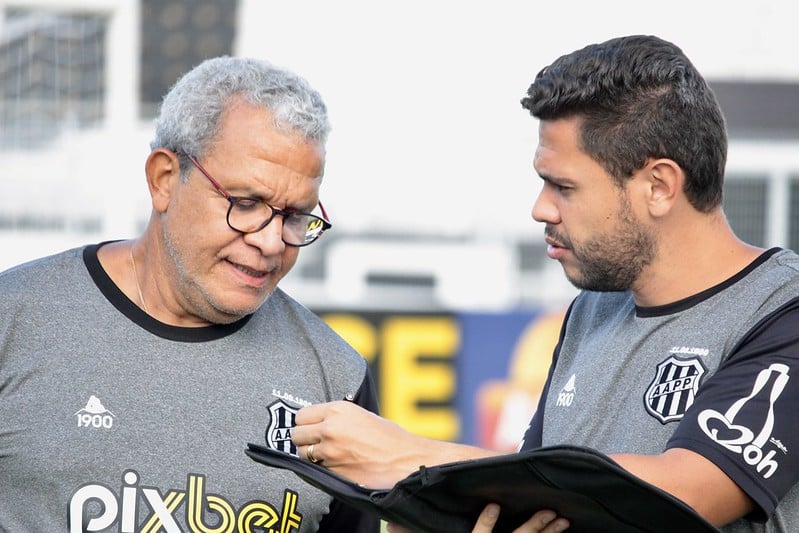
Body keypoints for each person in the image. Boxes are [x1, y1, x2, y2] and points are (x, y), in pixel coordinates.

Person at [290, 34, 799, 533]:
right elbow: (537, 497)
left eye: (564, 186)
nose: (541, 208)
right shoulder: (590, 312)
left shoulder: (781, 311)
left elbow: (687, 493)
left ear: (659, 186)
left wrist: (411, 457)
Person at [0, 56, 380, 532]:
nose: (269, 241)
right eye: (246, 204)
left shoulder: (337, 380)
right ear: (164, 179)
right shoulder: (13, 322)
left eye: (295, 216)